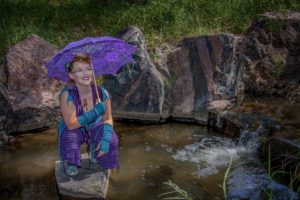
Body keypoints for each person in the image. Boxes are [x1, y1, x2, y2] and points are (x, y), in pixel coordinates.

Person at [57, 53, 118, 176]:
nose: (85, 73)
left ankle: (95, 152)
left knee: (111, 139)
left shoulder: (101, 92)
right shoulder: (67, 95)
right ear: (71, 75)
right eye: (79, 70)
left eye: (88, 69)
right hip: (75, 129)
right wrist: (95, 111)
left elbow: (108, 119)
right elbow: (71, 125)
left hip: (95, 126)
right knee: (70, 137)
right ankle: (72, 162)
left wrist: (105, 139)